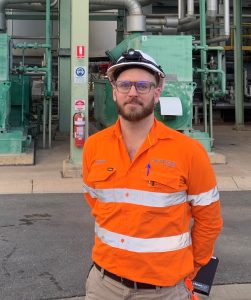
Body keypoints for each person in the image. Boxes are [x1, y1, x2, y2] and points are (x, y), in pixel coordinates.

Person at [82, 48, 223, 300]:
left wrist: (192, 268)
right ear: (114, 92)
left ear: (157, 93)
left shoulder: (189, 151)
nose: (133, 92)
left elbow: (209, 220)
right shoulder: (95, 146)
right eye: (125, 84)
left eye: (143, 85)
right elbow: (95, 201)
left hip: (164, 291)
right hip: (103, 286)